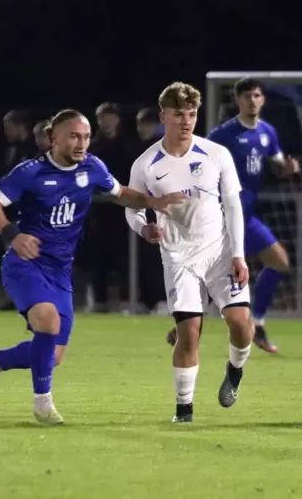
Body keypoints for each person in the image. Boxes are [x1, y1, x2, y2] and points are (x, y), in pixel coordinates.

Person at [0, 109, 181, 424]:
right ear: (52, 139)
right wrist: (13, 236)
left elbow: (121, 193)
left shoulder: (92, 168)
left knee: (52, 356)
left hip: (60, 271)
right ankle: (43, 405)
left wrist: (152, 203)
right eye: (73, 136)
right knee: (48, 320)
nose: (82, 143)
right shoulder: (30, 172)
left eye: (85, 136)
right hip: (25, 263)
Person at [125, 82, 253, 423]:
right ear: (163, 115)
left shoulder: (216, 154)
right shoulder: (146, 164)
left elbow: (233, 205)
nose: (186, 121)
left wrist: (238, 254)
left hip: (220, 251)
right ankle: (184, 412)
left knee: (242, 326)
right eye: (179, 114)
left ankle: (235, 372)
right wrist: (144, 227)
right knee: (188, 333)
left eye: (192, 114)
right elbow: (132, 207)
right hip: (178, 257)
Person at [164, 77, 299, 353]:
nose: (253, 101)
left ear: (263, 100)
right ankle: (184, 326)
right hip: (221, 216)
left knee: (279, 262)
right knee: (216, 274)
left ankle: (257, 323)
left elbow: (278, 166)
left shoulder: (267, 133)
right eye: (247, 96)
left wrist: (289, 168)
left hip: (246, 217)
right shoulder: (223, 134)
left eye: (257, 96)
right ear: (238, 100)